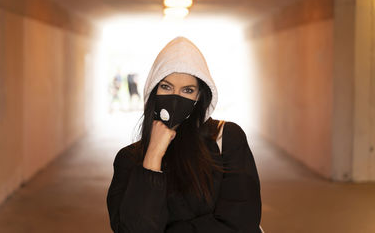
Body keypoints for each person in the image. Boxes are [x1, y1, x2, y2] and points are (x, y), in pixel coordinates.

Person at [106, 37, 262, 233]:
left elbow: (241, 221)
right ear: (153, 90)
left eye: (188, 90)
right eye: (166, 86)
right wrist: (153, 157)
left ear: (199, 96)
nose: (176, 97)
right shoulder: (129, 159)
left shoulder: (226, 138)